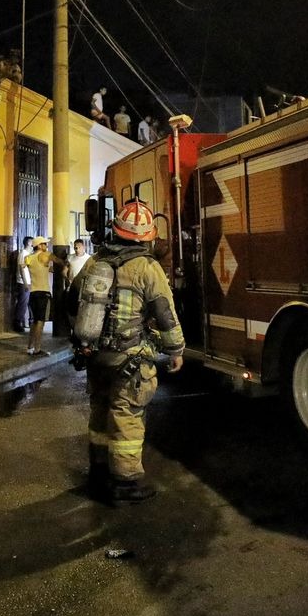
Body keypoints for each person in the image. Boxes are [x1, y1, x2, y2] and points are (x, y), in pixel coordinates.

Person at [83, 200, 184, 505]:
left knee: (100, 411)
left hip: (96, 356)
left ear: (116, 230)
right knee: (126, 414)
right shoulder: (147, 268)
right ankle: (125, 484)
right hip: (130, 358)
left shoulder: (95, 261)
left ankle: (98, 472)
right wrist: (175, 349)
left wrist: (83, 344)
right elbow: (164, 313)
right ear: (147, 236)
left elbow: (72, 299)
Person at [25, 236, 55, 356]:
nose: (46, 246)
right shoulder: (45, 255)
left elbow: (34, 267)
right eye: (44, 244)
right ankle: (37, 349)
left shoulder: (29, 258)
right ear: (39, 245)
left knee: (34, 321)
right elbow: (57, 261)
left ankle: (30, 347)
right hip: (43, 293)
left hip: (33, 292)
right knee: (40, 323)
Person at [14, 235, 34, 332]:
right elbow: (22, 269)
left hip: (27, 282)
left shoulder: (28, 254)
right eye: (32, 242)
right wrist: (25, 283)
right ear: (29, 243)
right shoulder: (23, 254)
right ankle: (18, 323)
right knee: (22, 303)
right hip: (23, 282)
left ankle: (28, 321)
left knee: (27, 303)